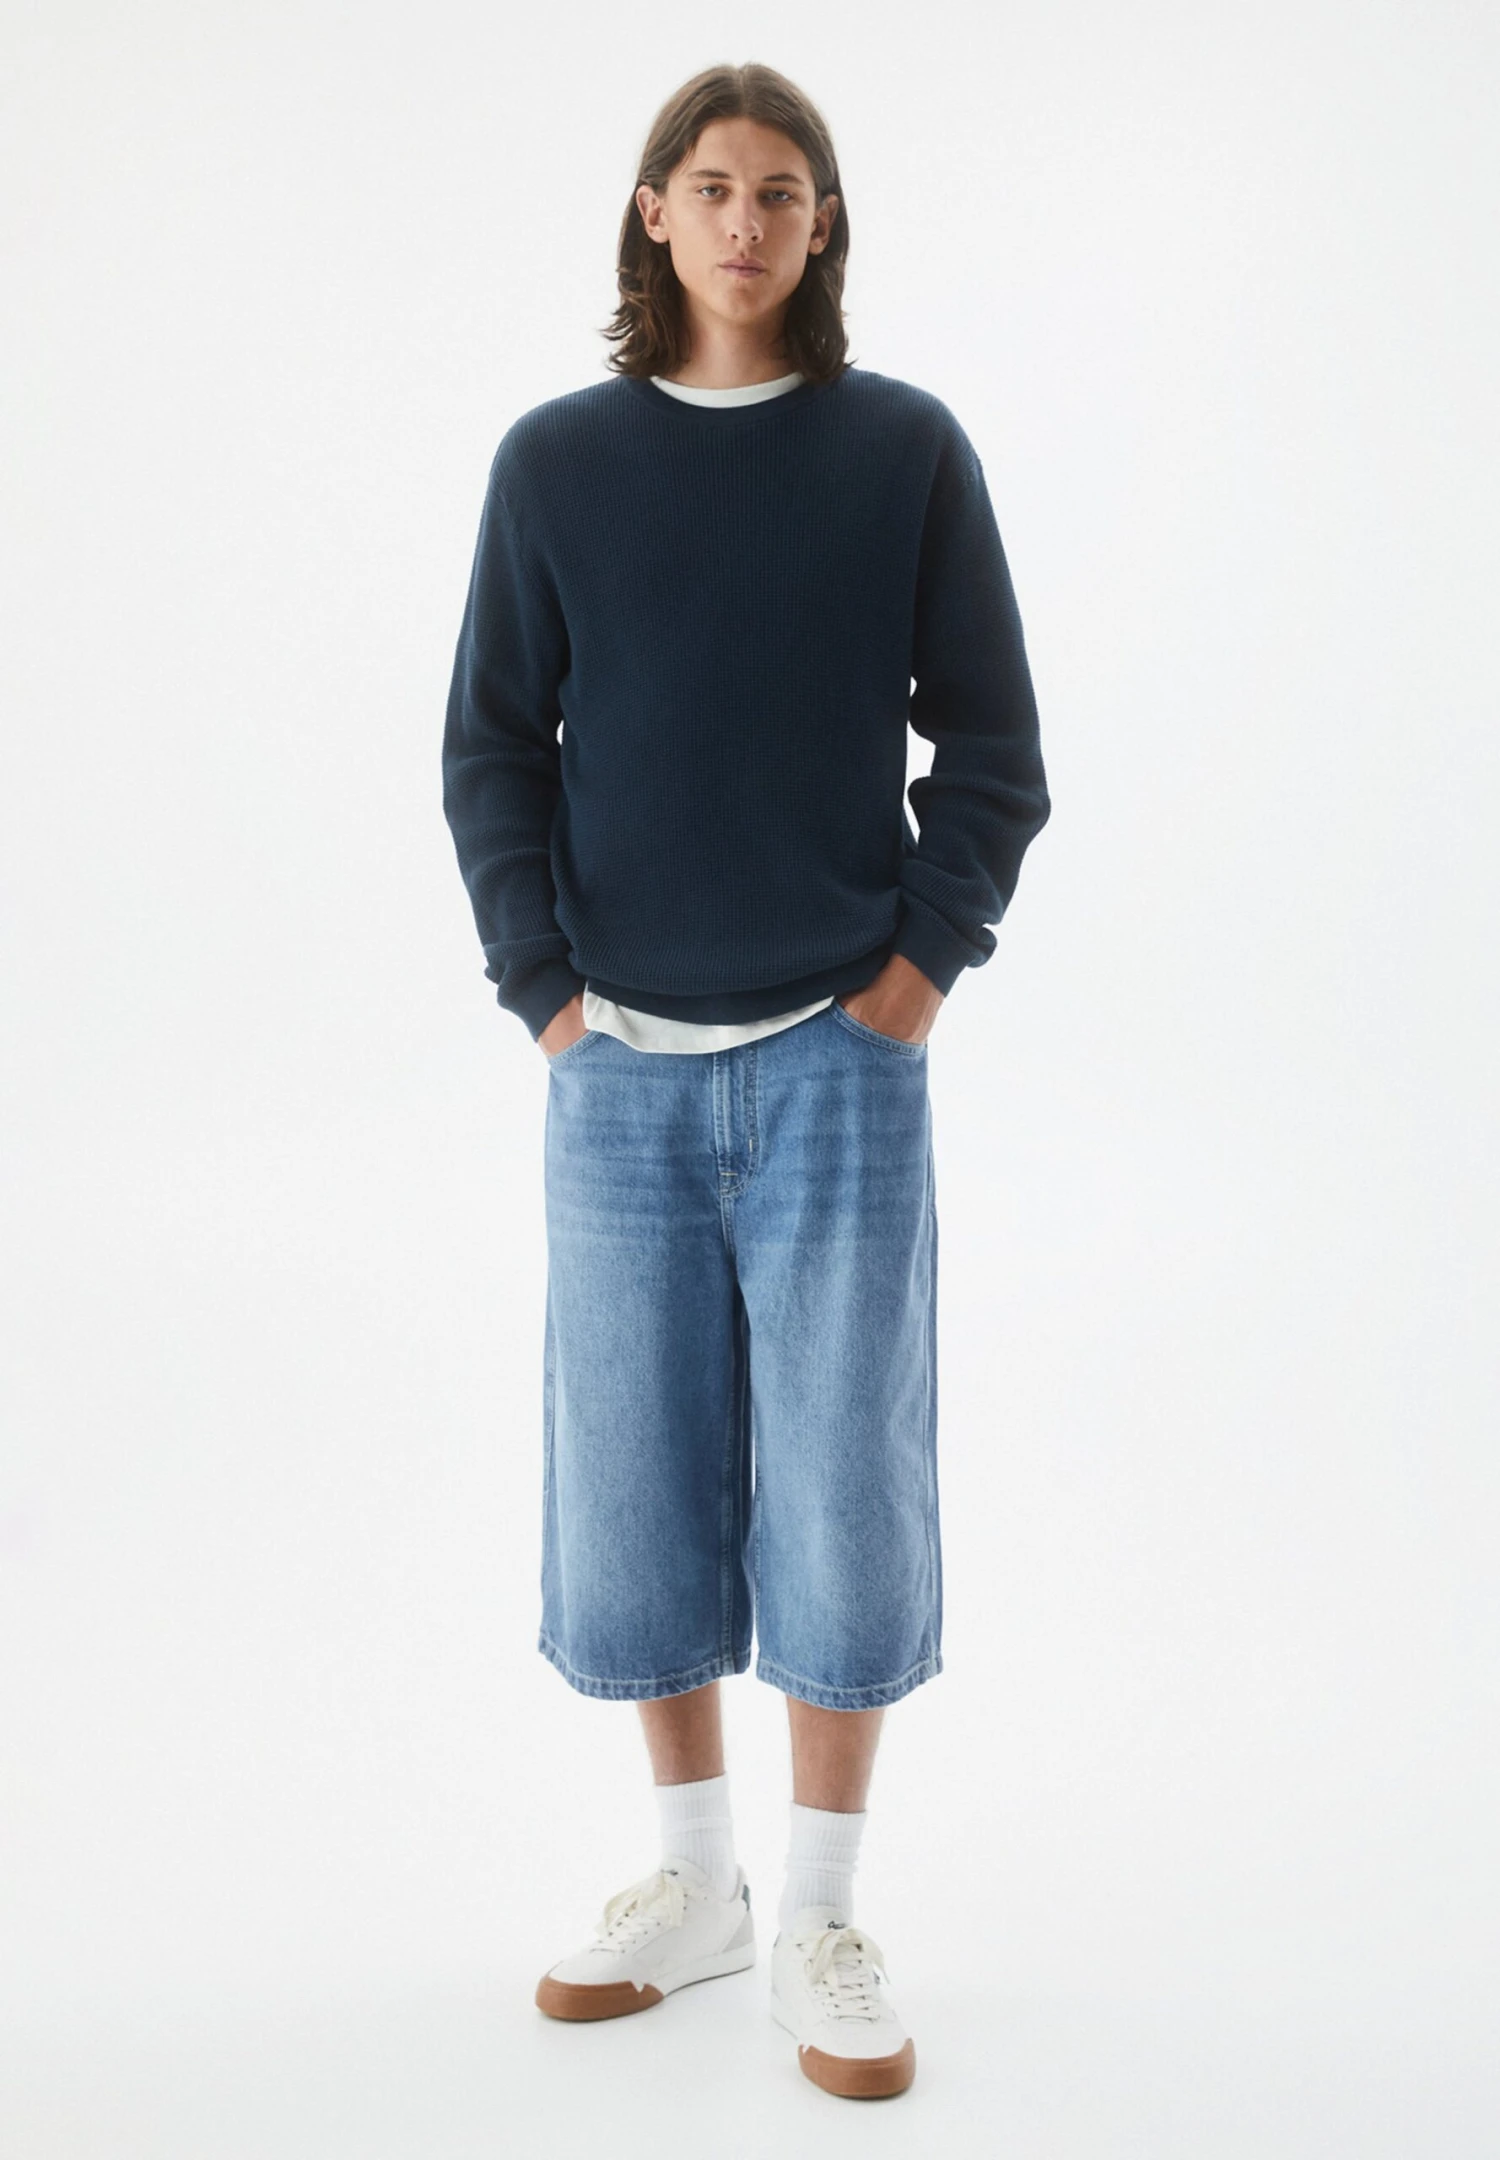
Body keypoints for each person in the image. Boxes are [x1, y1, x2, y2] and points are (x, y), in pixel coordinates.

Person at [442, 60, 1050, 2102]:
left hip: (837, 1062)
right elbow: (490, 748)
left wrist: (911, 984)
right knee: (634, 1477)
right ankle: (695, 1885)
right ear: (652, 212)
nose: (745, 221)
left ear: (822, 226)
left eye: (783, 192)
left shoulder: (903, 454)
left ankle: (823, 1914)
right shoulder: (556, 465)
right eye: (711, 186)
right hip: (614, 1067)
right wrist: (546, 997)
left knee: (847, 1483)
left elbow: (996, 753)